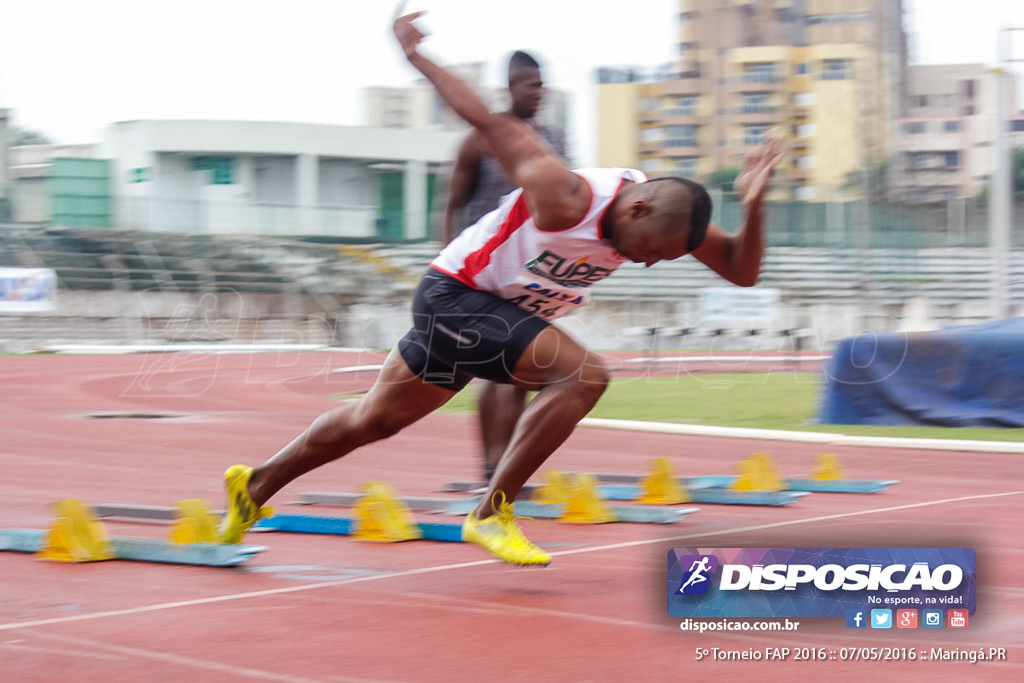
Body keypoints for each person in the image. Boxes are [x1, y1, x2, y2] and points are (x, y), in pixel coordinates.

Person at [217, 8, 781, 567]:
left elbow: (740, 269)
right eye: (650, 250)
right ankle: (491, 511)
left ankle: (255, 485)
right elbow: (487, 122)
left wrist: (754, 208)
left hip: (487, 319)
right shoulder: (564, 195)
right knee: (583, 376)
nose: (649, 263)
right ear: (634, 209)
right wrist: (416, 56)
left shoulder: (668, 217)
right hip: (455, 298)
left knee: (374, 420)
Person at [441, 49, 567, 486]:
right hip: (486, 267)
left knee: (524, 371)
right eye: (530, 84)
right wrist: (448, 267)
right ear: (510, 87)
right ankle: (492, 468)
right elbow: (452, 204)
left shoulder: (553, 139)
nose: (539, 91)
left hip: (534, 272)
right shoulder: (481, 139)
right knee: (498, 367)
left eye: (542, 83)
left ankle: (507, 466)